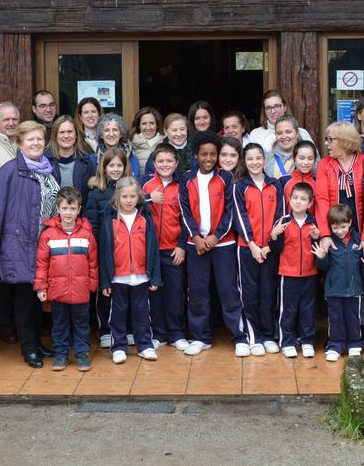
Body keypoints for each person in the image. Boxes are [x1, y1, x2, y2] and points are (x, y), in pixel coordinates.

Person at [0, 121, 60, 368]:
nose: (36, 143)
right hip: (17, 246)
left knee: (39, 299)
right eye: (30, 140)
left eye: (39, 139)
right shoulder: (8, 172)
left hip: (43, 245)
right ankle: (29, 350)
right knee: (25, 301)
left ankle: (36, 343)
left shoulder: (50, 169)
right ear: (19, 143)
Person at [178, 131, 252, 355]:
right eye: (204, 154)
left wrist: (214, 237)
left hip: (223, 244)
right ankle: (201, 337)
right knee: (198, 291)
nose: (209, 158)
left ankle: (239, 337)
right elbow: (184, 212)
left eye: (213, 154)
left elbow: (230, 211)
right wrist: (197, 238)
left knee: (229, 290)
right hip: (196, 245)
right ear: (196, 155)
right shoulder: (187, 178)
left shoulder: (226, 178)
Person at [99, 177, 162, 364]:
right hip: (118, 278)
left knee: (142, 313)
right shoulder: (109, 220)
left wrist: (155, 277)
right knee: (117, 314)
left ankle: (145, 345)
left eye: (133, 196)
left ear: (139, 197)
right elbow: (104, 252)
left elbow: (152, 249)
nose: (128, 200)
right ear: (117, 197)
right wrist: (105, 281)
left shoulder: (145, 218)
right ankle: (118, 347)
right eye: (124, 196)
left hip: (141, 277)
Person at [35, 186, 98, 372]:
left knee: (81, 324)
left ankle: (82, 355)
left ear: (79, 209)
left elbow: (93, 263)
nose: (68, 213)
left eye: (72, 209)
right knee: (59, 325)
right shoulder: (48, 235)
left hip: (80, 290)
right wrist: (41, 287)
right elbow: (41, 264)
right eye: (64, 208)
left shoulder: (87, 235)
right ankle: (61, 355)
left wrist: (92, 285)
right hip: (57, 291)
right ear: (58, 209)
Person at [232, 143, 285, 356]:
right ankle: (253, 337)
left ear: (264, 160)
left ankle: (268, 335)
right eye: (250, 159)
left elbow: (280, 216)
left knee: (268, 293)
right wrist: (253, 244)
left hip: (269, 249)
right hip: (247, 248)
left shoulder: (275, 185)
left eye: (258, 158)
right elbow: (240, 217)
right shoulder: (240, 186)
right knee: (249, 293)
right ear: (245, 162)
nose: (254, 162)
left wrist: (269, 246)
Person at [143, 144, 188, 351]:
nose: (165, 164)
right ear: (153, 163)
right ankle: (158, 334)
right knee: (155, 293)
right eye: (160, 161)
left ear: (176, 163)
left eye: (169, 161)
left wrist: (181, 246)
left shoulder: (183, 187)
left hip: (173, 250)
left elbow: (189, 219)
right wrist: (149, 199)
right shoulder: (145, 185)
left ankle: (176, 334)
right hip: (151, 251)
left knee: (175, 292)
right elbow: (130, 206)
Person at [314, 122, 364, 261]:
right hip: (336, 232)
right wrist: (325, 234)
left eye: (330, 139)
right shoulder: (325, 165)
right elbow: (321, 201)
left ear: (344, 141)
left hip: (360, 232)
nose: (326, 143)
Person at [314, 204, 364, 361]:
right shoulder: (328, 242)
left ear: (350, 222)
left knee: (354, 319)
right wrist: (321, 257)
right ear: (330, 227)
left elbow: (363, 265)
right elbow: (323, 267)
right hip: (334, 290)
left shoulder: (358, 239)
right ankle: (335, 345)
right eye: (335, 228)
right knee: (335, 319)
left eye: (343, 226)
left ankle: (354, 344)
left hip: (355, 289)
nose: (339, 231)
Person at [269, 183, 320, 358]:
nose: (298, 202)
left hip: (309, 274)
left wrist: (317, 238)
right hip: (287, 274)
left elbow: (318, 249)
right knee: (287, 310)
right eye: (295, 198)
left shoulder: (313, 223)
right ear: (289, 200)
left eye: (303, 199)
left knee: (307, 309)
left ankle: (307, 341)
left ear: (310, 203)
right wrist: (274, 235)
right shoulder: (283, 221)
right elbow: (275, 249)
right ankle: (287, 342)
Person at [84, 149, 127, 347]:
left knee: (127, 290)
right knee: (106, 291)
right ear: (104, 167)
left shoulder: (131, 190)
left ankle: (127, 329)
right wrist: (96, 250)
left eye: (119, 165)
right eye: (112, 165)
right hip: (104, 251)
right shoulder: (96, 192)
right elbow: (92, 225)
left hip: (127, 251)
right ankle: (106, 331)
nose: (116, 169)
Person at [248, 90, 313, 153]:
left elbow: (314, 160)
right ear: (264, 111)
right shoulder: (255, 134)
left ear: (285, 107)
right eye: (268, 108)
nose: (273, 111)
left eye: (277, 106)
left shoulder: (302, 132)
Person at [46, 115, 94, 199]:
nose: (66, 136)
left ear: (76, 134)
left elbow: (91, 195)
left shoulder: (87, 161)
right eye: (62, 132)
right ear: (55, 136)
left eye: (70, 131)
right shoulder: (45, 161)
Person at [93, 112, 141, 179]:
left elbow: (136, 183)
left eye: (115, 130)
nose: (111, 134)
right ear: (101, 135)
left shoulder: (131, 158)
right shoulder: (93, 159)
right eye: (107, 130)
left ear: (121, 134)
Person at [264, 115, 305, 180]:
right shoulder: (267, 158)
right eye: (279, 133)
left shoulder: (307, 156)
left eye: (288, 132)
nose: (284, 136)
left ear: (297, 133)